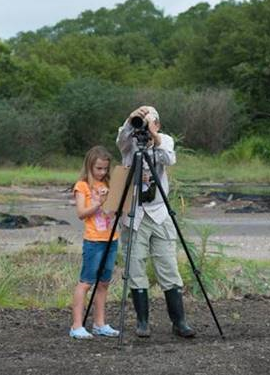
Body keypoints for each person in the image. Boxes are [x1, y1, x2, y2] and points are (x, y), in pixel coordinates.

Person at [116, 106, 195, 338]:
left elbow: (168, 158)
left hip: (159, 213)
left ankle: (179, 322)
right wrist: (132, 118)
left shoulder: (165, 140)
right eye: (142, 123)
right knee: (135, 266)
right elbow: (121, 139)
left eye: (150, 122)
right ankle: (142, 322)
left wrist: (154, 136)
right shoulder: (129, 143)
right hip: (135, 215)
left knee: (168, 266)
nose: (145, 127)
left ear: (158, 124)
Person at [70, 145, 119, 339]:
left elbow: (113, 212)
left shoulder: (109, 185)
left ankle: (100, 323)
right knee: (86, 282)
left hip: (111, 239)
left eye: (105, 168)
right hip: (93, 241)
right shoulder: (82, 186)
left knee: (104, 283)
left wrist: (112, 202)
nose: (102, 172)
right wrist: (97, 202)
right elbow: (81, 213)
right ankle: (76, 325)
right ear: (90, 166)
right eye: (98, 168)